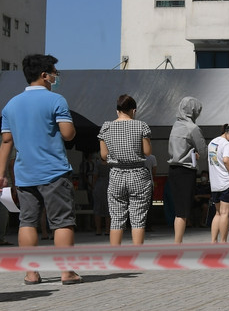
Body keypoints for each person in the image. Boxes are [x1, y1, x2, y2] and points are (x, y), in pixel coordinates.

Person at [0, 54, 82, 285]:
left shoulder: (11, 105)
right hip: (54, 171)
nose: (56, 76)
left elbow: (6, 141)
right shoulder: (56, 100)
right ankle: (67, 272)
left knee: (27, 222)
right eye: (54, 72)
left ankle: (31, 273)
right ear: (45, 75)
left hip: (24, 174)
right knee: (62, 222)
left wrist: (2, 174)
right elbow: (68, 134)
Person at [97, 94, 154, 246]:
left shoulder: (106, 127)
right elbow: (147, 152)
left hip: (116, 173)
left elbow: (103, 155)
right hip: (138, 174)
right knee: (138, 216)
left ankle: (116, 254)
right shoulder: (141, 125)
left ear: (117, 111)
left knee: (116, 217)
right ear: (133, 111)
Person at [167, 96, 206, 243]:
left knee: (178, 209)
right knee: (183, 212)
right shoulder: (193, 128)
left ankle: (178, 242)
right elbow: (203, 151)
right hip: (186, 171)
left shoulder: (175, 125)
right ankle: (178, 244)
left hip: (173, 169)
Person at [208, 123, 229, 243]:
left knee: (217, 213)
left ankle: (213, 241)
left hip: (215, 183)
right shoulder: (227, 144)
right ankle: (223, 241)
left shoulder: (212, 142)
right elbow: (226, 159)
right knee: (225, 213)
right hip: (227, 182)